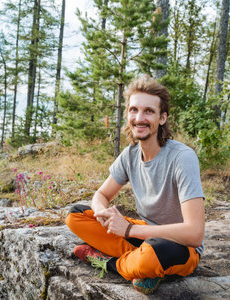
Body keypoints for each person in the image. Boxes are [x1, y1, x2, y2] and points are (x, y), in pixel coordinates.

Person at [65, 75, 205, 295]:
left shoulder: (182, 157)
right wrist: (102, 213)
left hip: (178, 247)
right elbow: (101, 194)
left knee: (151, 256)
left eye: (149, 111)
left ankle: (110, 263)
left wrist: (129, 229)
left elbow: (194, 233)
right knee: (76, 216)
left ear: (162, 118)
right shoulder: (129, 155)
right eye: (134, 110)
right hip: (142, 236)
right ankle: (136, 264)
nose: (139, 118)